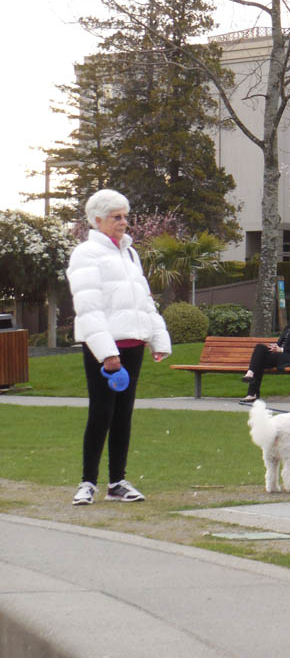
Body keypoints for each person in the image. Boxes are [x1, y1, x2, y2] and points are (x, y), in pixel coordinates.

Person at [66, 189, 172, 505]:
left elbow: (142, 300)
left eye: (125, 216)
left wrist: (157, 337)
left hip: (133, 343)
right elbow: (88, 307)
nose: (123, 222)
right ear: (97, 220)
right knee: (101, 413)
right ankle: (87, 482)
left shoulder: (129, 253)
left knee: (124, 415)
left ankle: (117, 482)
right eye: (117, 217)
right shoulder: (85, 253)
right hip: (104, 348)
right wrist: (108, 352)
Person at [241, 298, 290, 403]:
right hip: (282, 355)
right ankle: (251, 379)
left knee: (260, 359)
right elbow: (281, 342)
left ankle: (252, 390)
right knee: (259, 349)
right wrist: (275, 347)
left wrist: (283, 349)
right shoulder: (289, 326)